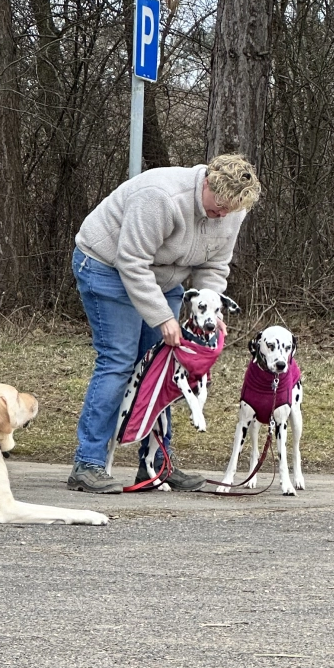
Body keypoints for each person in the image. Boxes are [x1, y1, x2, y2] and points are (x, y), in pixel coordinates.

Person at [68, 152, 262, 492]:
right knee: (119, 360)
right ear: (207, 184)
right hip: (108, 266)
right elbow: (132, 261)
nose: (222, 217)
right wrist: (161, 318)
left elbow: (215, 267)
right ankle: (88, 464)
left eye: (229, 212)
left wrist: (209, 311)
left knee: (164, 366)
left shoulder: (232, 211)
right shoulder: (160, 197)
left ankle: (157, 465)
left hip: (166, 278)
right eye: (218, 208)